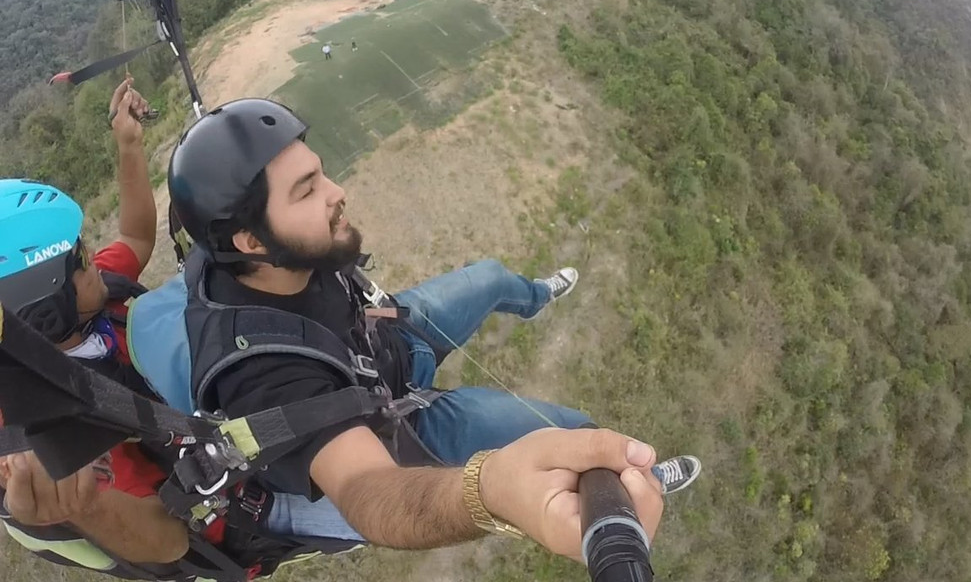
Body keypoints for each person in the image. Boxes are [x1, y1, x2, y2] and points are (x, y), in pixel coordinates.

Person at [145, 97, 699, 560]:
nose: (337, 192)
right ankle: (622, 489)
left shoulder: (269, 252)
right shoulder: (262, 376)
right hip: (397, 424)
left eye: (322, 174)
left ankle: (534, 296)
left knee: (490, 279)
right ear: (249, 242)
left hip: (388, 338)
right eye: (307, 190)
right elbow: (369, 493)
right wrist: (490, 490)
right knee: (569, 434)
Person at [0, 78, 190, 571]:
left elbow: (135, 235)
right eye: (80, 260)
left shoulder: (87, 308)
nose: (96, 264)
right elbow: (170, 544)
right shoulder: (63, 427)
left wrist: (127, 143)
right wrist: (84, 507)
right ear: (42, 309)